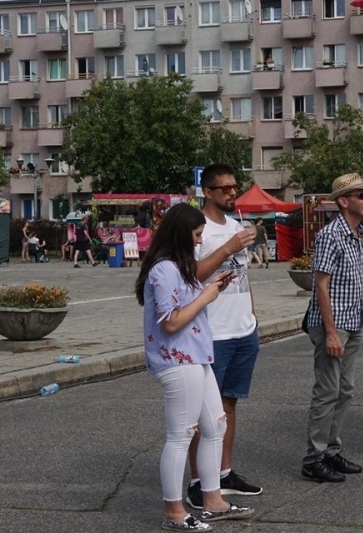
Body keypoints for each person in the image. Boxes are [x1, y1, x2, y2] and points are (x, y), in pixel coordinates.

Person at [134, 202, 252, 532]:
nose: (200, 240)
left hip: (195, 357)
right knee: (181, 435)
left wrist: (211, 287)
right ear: (181, 234)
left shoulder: (179, 267)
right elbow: (171, 322)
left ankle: (212, 500)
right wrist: (206, 296)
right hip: (177, 359)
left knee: (215, 426)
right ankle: (174, 511)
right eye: (197, 234)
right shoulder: (163, 269)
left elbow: (186, 305)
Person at [186, 163, 262, 510]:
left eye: (235, 187)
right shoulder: (196, 229)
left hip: (243, 327)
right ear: (207, 192)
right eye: (225, 188)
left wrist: (252, 315)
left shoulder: (236, 225)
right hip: (212, 331)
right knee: (204, 413)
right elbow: (191, 275)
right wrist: (228, 247)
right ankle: (199, 482)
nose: (233, 193)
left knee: (229, 404)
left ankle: (223, 472)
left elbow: (243, 274)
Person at [301, 173, 363, 483]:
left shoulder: (354, 233)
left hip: (352, 322)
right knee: (327, 391)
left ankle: (331, 450)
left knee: (345, 390)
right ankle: (313, 459)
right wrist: (330, 331)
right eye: (360, 195)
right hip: (335, 324)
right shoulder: (331, 234)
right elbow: (321, 285)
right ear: (343, 201)